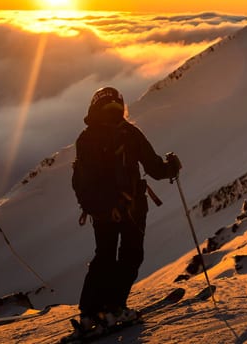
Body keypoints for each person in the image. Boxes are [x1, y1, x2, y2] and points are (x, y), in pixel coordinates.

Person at [68, 86, 181, 339]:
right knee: (130, 255)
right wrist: (172, 166)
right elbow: (155, 169)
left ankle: (89, 313)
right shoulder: (129, 133)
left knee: (103, 257)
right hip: (131, 208)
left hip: (100, 212)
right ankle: (115, 308)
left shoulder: (85, 138)